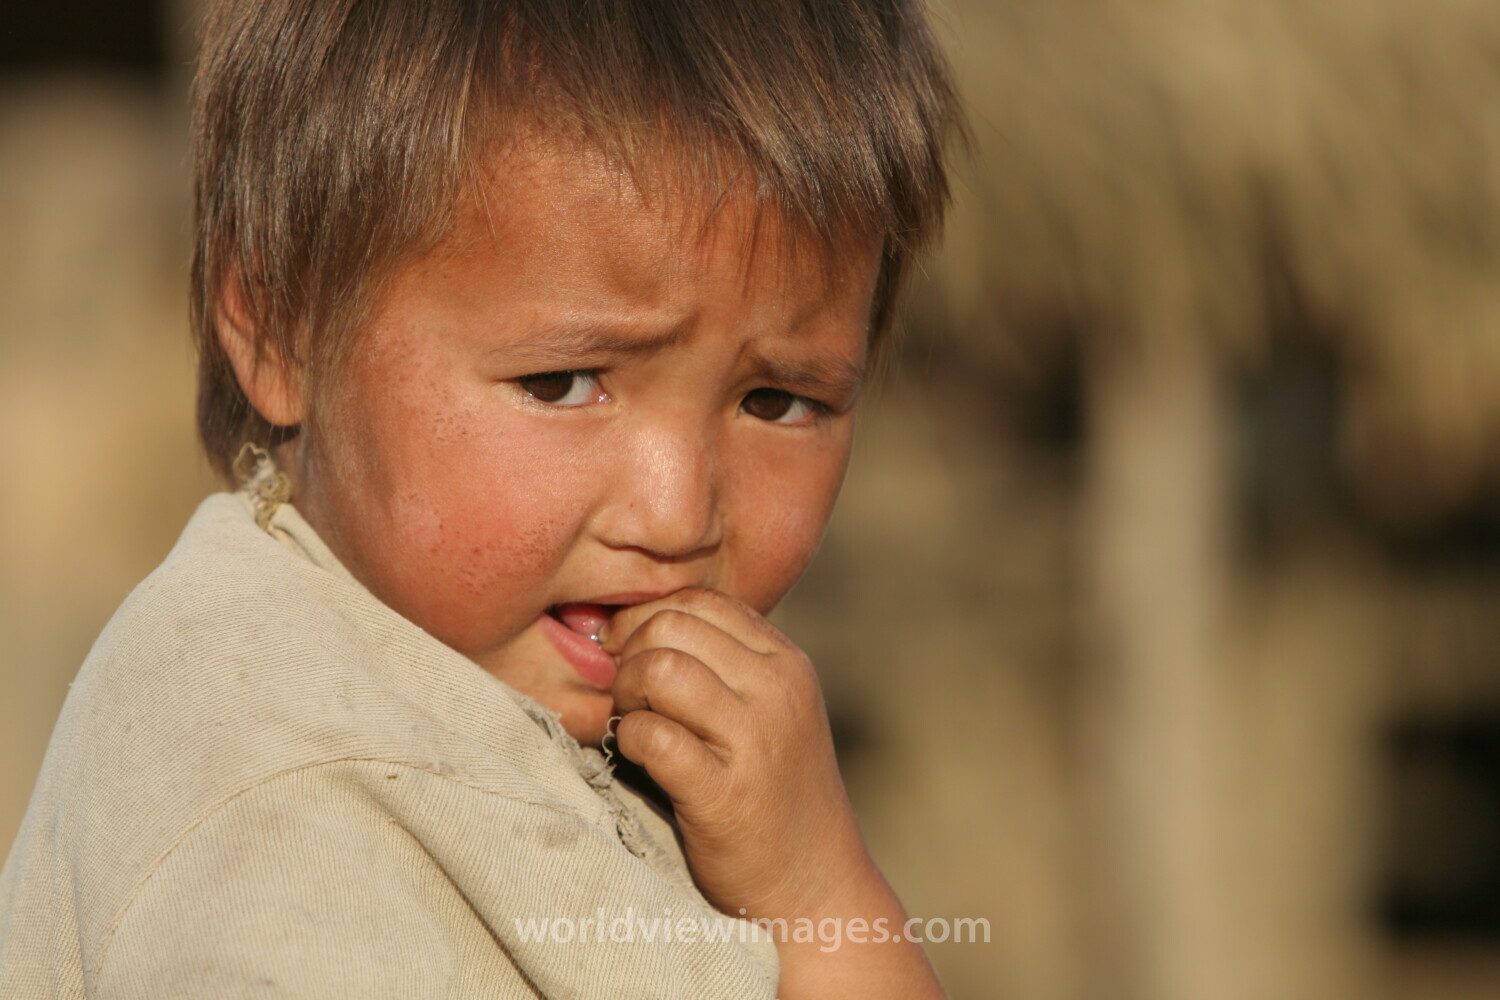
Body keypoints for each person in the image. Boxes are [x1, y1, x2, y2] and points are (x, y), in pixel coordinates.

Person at [0, 1, 960, 996]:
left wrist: (816, 891)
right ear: (282, 329)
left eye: (778, 401)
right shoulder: (266, 790)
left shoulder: (686, 764)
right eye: (563, 383)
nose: (679, 516)